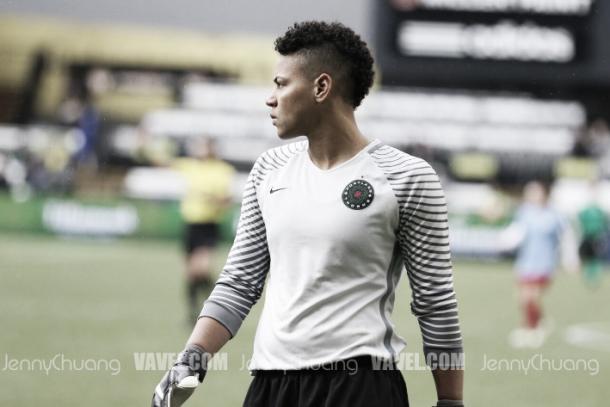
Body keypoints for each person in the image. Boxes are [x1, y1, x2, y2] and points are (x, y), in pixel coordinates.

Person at [152, 21, 464, 407]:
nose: (271, 98)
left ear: (321, 87)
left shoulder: (408, 177)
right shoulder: (268, 169)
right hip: (270, 385)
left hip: (360, 387)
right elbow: (239, 283)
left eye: (281, 84)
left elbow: (436, 305)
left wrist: (451, 402)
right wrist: (191, 361)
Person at [173, 137, 235, 323]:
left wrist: (212, 199)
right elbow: (162, 161)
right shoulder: (190, 166)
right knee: (190, 273)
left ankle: (217, 302)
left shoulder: (222, 170)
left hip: (208, 225)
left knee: (201, 268)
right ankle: (193, 312)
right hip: (190, 225)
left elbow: (227, 200)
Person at [508, 181, 563, 348]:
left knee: (531, 296)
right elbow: (516, 233)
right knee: (523, 298)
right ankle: (538, 323)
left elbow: (563, 238)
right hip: (526, 263)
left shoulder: (553, 215)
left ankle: (532, 329)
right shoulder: (524, 213)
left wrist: (568, 259)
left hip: (544, 264)